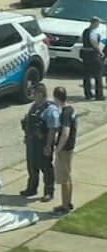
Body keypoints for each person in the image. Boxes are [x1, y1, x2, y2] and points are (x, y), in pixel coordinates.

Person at [20, 83, 60, 202]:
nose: (32, 96)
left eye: (33, 93)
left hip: (43, 143)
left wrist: (48, 145)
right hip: (32, 142)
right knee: (32, 167)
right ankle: (31, 189)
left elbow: (53, 129)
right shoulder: (34, 106)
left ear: (40, 94)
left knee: (46, 168)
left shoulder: (50, 109)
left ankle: (49, 192)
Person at [52, 87, 77, 216]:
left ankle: (64, 206)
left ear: (56, 98)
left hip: (65, 150)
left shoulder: (65, 113)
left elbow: (65, 133)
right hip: (71, 148)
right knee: (68, 177)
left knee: (63, 180)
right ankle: (68, 202)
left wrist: (58, 149)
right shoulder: (71, 109)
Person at [80, 16, 105, 101]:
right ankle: (99, 95)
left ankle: (88, 94)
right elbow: (93, 42)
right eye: (98, 23)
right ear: (95, 23)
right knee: (98, 74)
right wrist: (100, 52)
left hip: (85, 54)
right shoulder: (93, 32)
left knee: (86, 74)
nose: (99, 24)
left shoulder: (85, 31)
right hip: (92, 55)